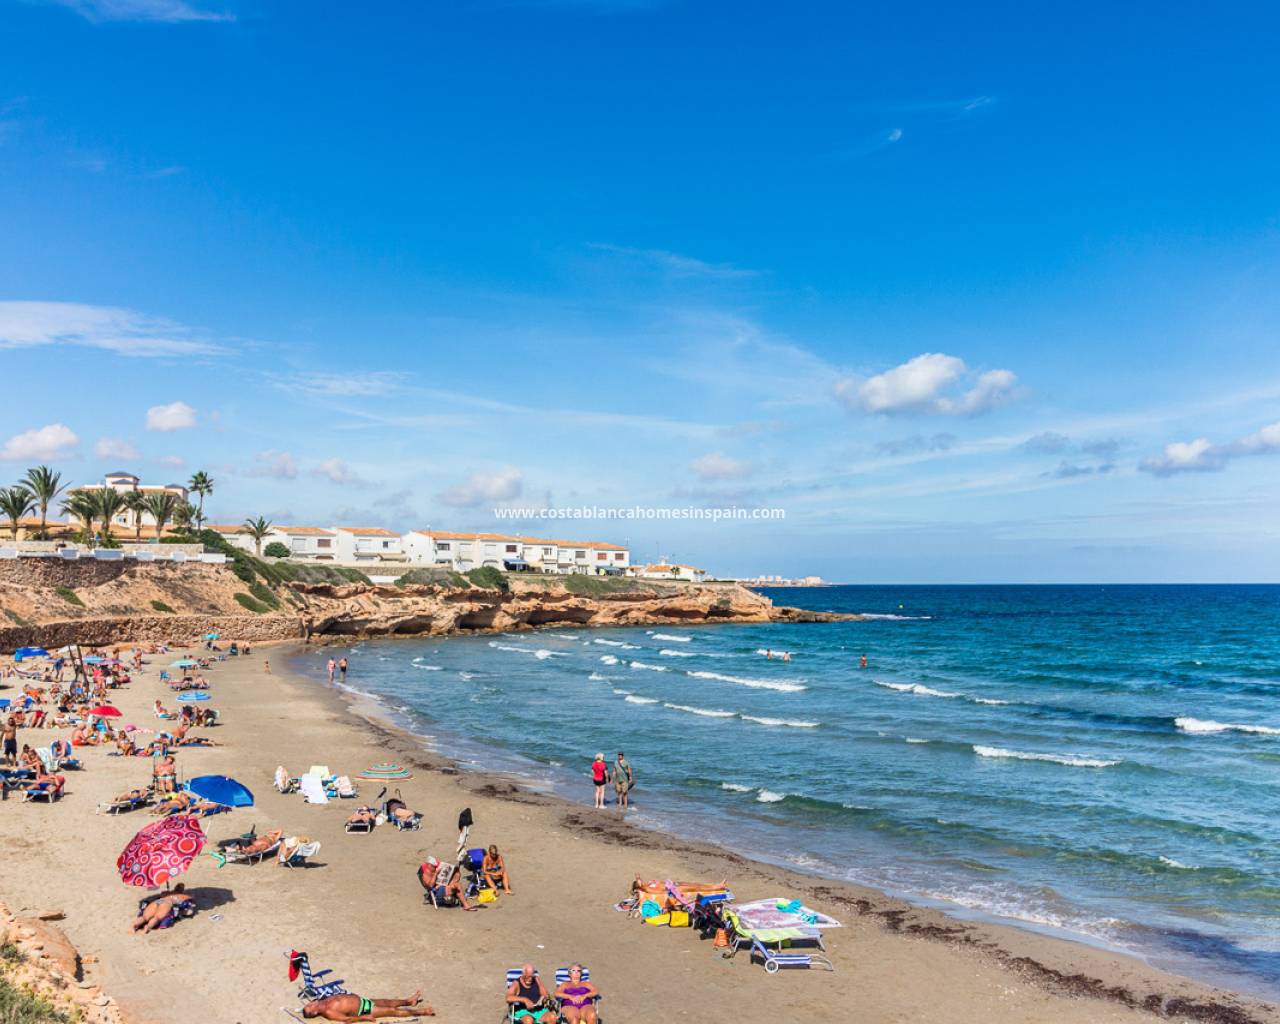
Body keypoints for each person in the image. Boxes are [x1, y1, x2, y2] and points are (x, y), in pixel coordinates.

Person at [301, 991, 431, 1020]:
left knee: (388, 1002)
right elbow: (346, 1019)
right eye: (310, 1007)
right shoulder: (329, 1012)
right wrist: (364, 1017)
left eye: (308, 1004)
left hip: (363, 1001)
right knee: (391, 1010)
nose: (310, 1003)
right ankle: (422, 1012)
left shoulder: (322, 1000)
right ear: (314, 1013)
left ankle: (409, 1002)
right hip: (364, 1009)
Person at [130, 884, 194, 933]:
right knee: (156, 918)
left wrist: (168, 893)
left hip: (158, 901)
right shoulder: (181, 896)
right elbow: (190, 907)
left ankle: (133, 926)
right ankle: (147, 927)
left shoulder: (165, 893)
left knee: (144, 917)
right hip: (167, 903)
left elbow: (159, 896)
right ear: (182, 890)